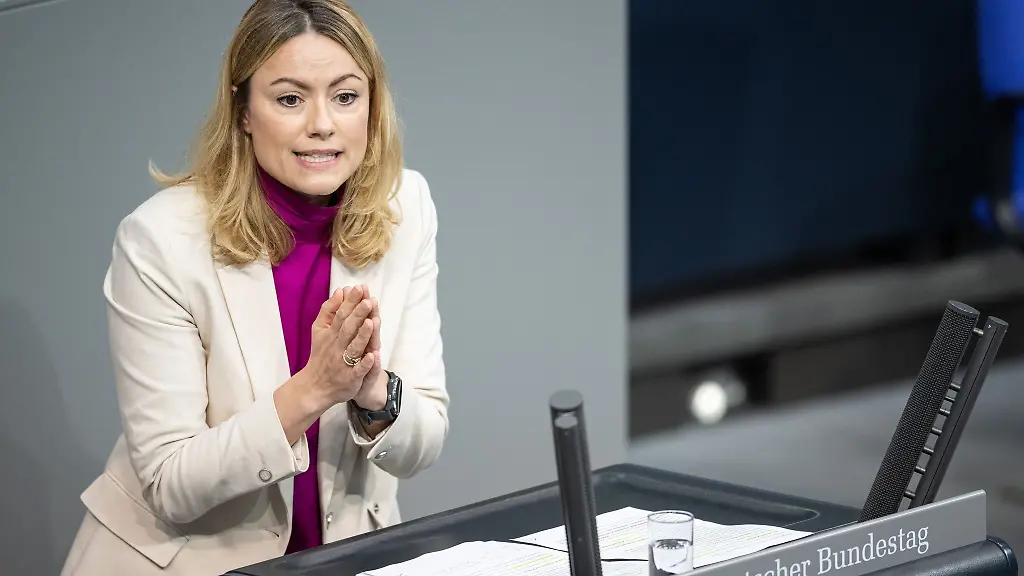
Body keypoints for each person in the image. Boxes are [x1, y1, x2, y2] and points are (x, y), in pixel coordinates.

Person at [60, 1, 449, 574]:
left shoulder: (405, 207)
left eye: (345, 96)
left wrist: (374, 393)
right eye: (290, 99)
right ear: (243, 110)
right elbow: (172, 482)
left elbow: (426, 440)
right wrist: (314, 390)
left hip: (341, 557)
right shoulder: (159, 240)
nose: (322, 123)